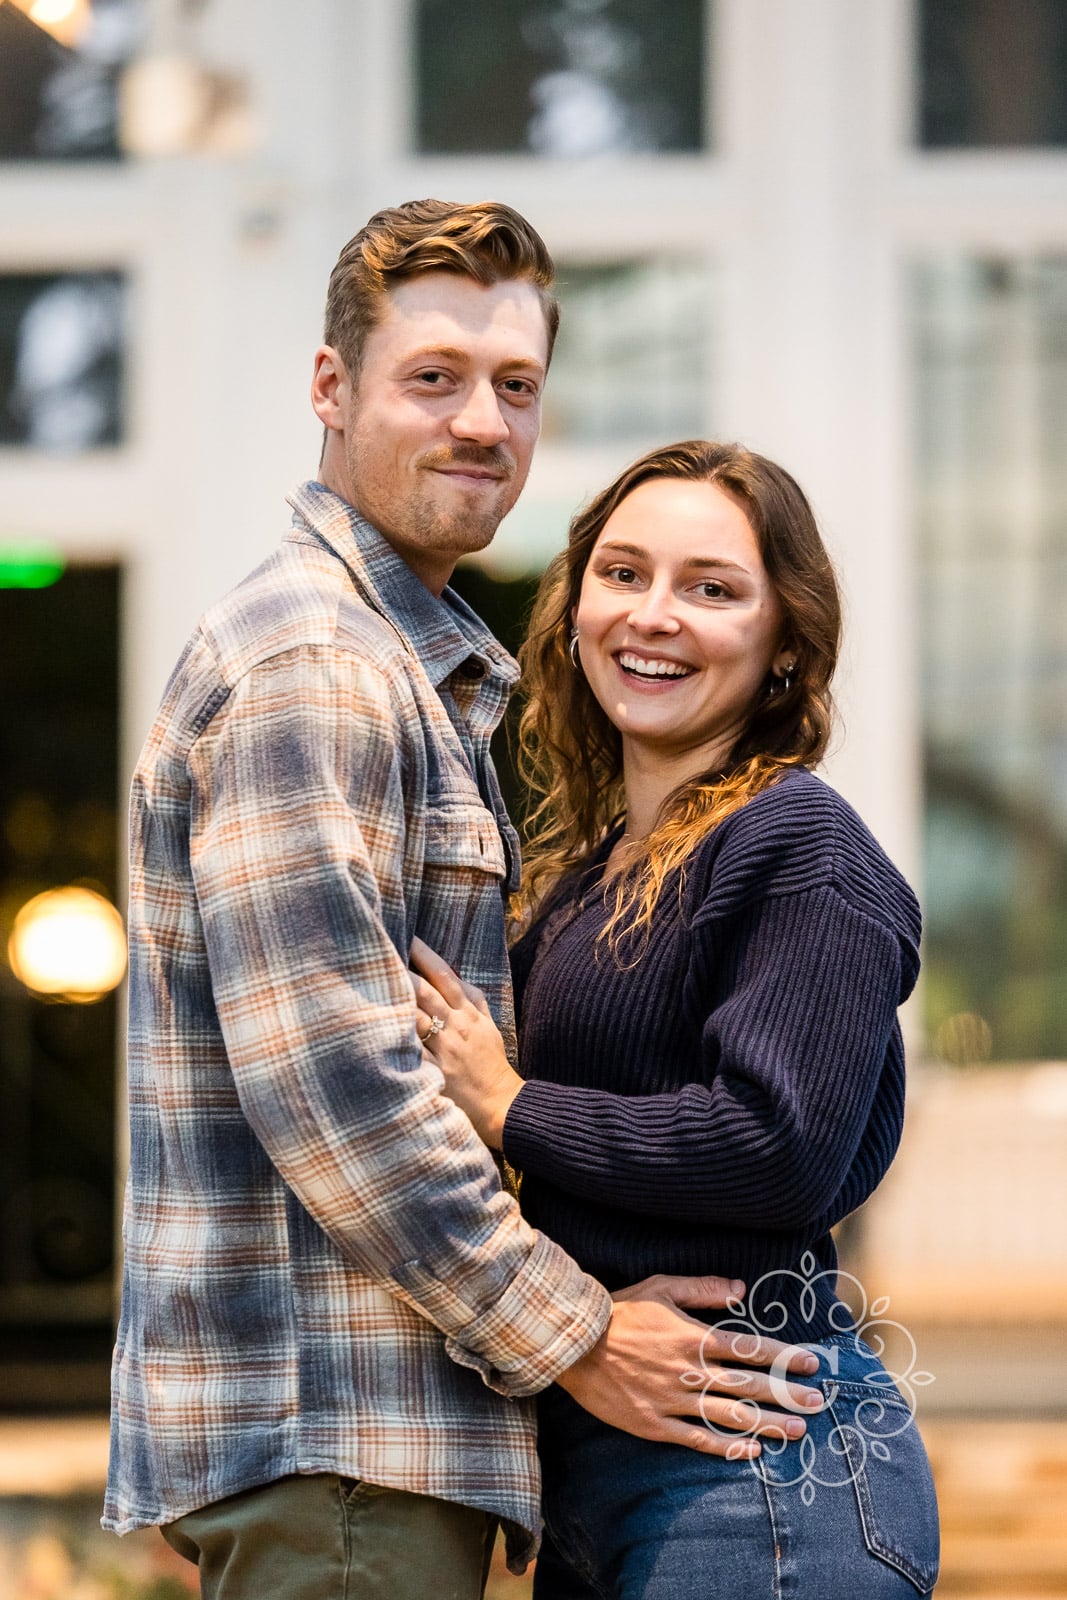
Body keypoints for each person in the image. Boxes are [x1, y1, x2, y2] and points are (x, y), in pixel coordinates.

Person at [103, 208, 823, 1600]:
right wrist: (575, 1335)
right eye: (431, 376)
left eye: (514, 386)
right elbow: (332, 1085)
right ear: (331, 390)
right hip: (339, 1444)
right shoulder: (318, 662)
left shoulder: (396, 666)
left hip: (369, 1450)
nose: (482, 423)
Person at [411, 439, 942, 1598]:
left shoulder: (796, 846)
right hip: (607, 1464)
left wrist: (509, 1103)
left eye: (711, 588)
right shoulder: (590, 871)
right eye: (623, 573)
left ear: (784, 643)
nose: (653, 615)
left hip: (761, 1467)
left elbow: (778, 1145)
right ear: (572, 606)